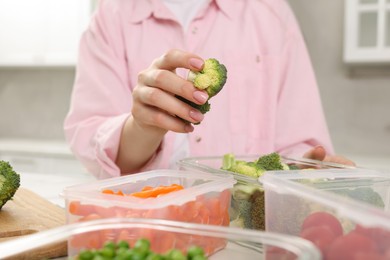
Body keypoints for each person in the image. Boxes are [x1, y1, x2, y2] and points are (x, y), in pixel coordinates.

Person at [64, 0, 354, 179]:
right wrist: (143, 125)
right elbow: (99, 151)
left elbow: (297, 147)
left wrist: (306, 170)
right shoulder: (109, 17)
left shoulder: (271, 13)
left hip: (248, 235)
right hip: (145, 227)